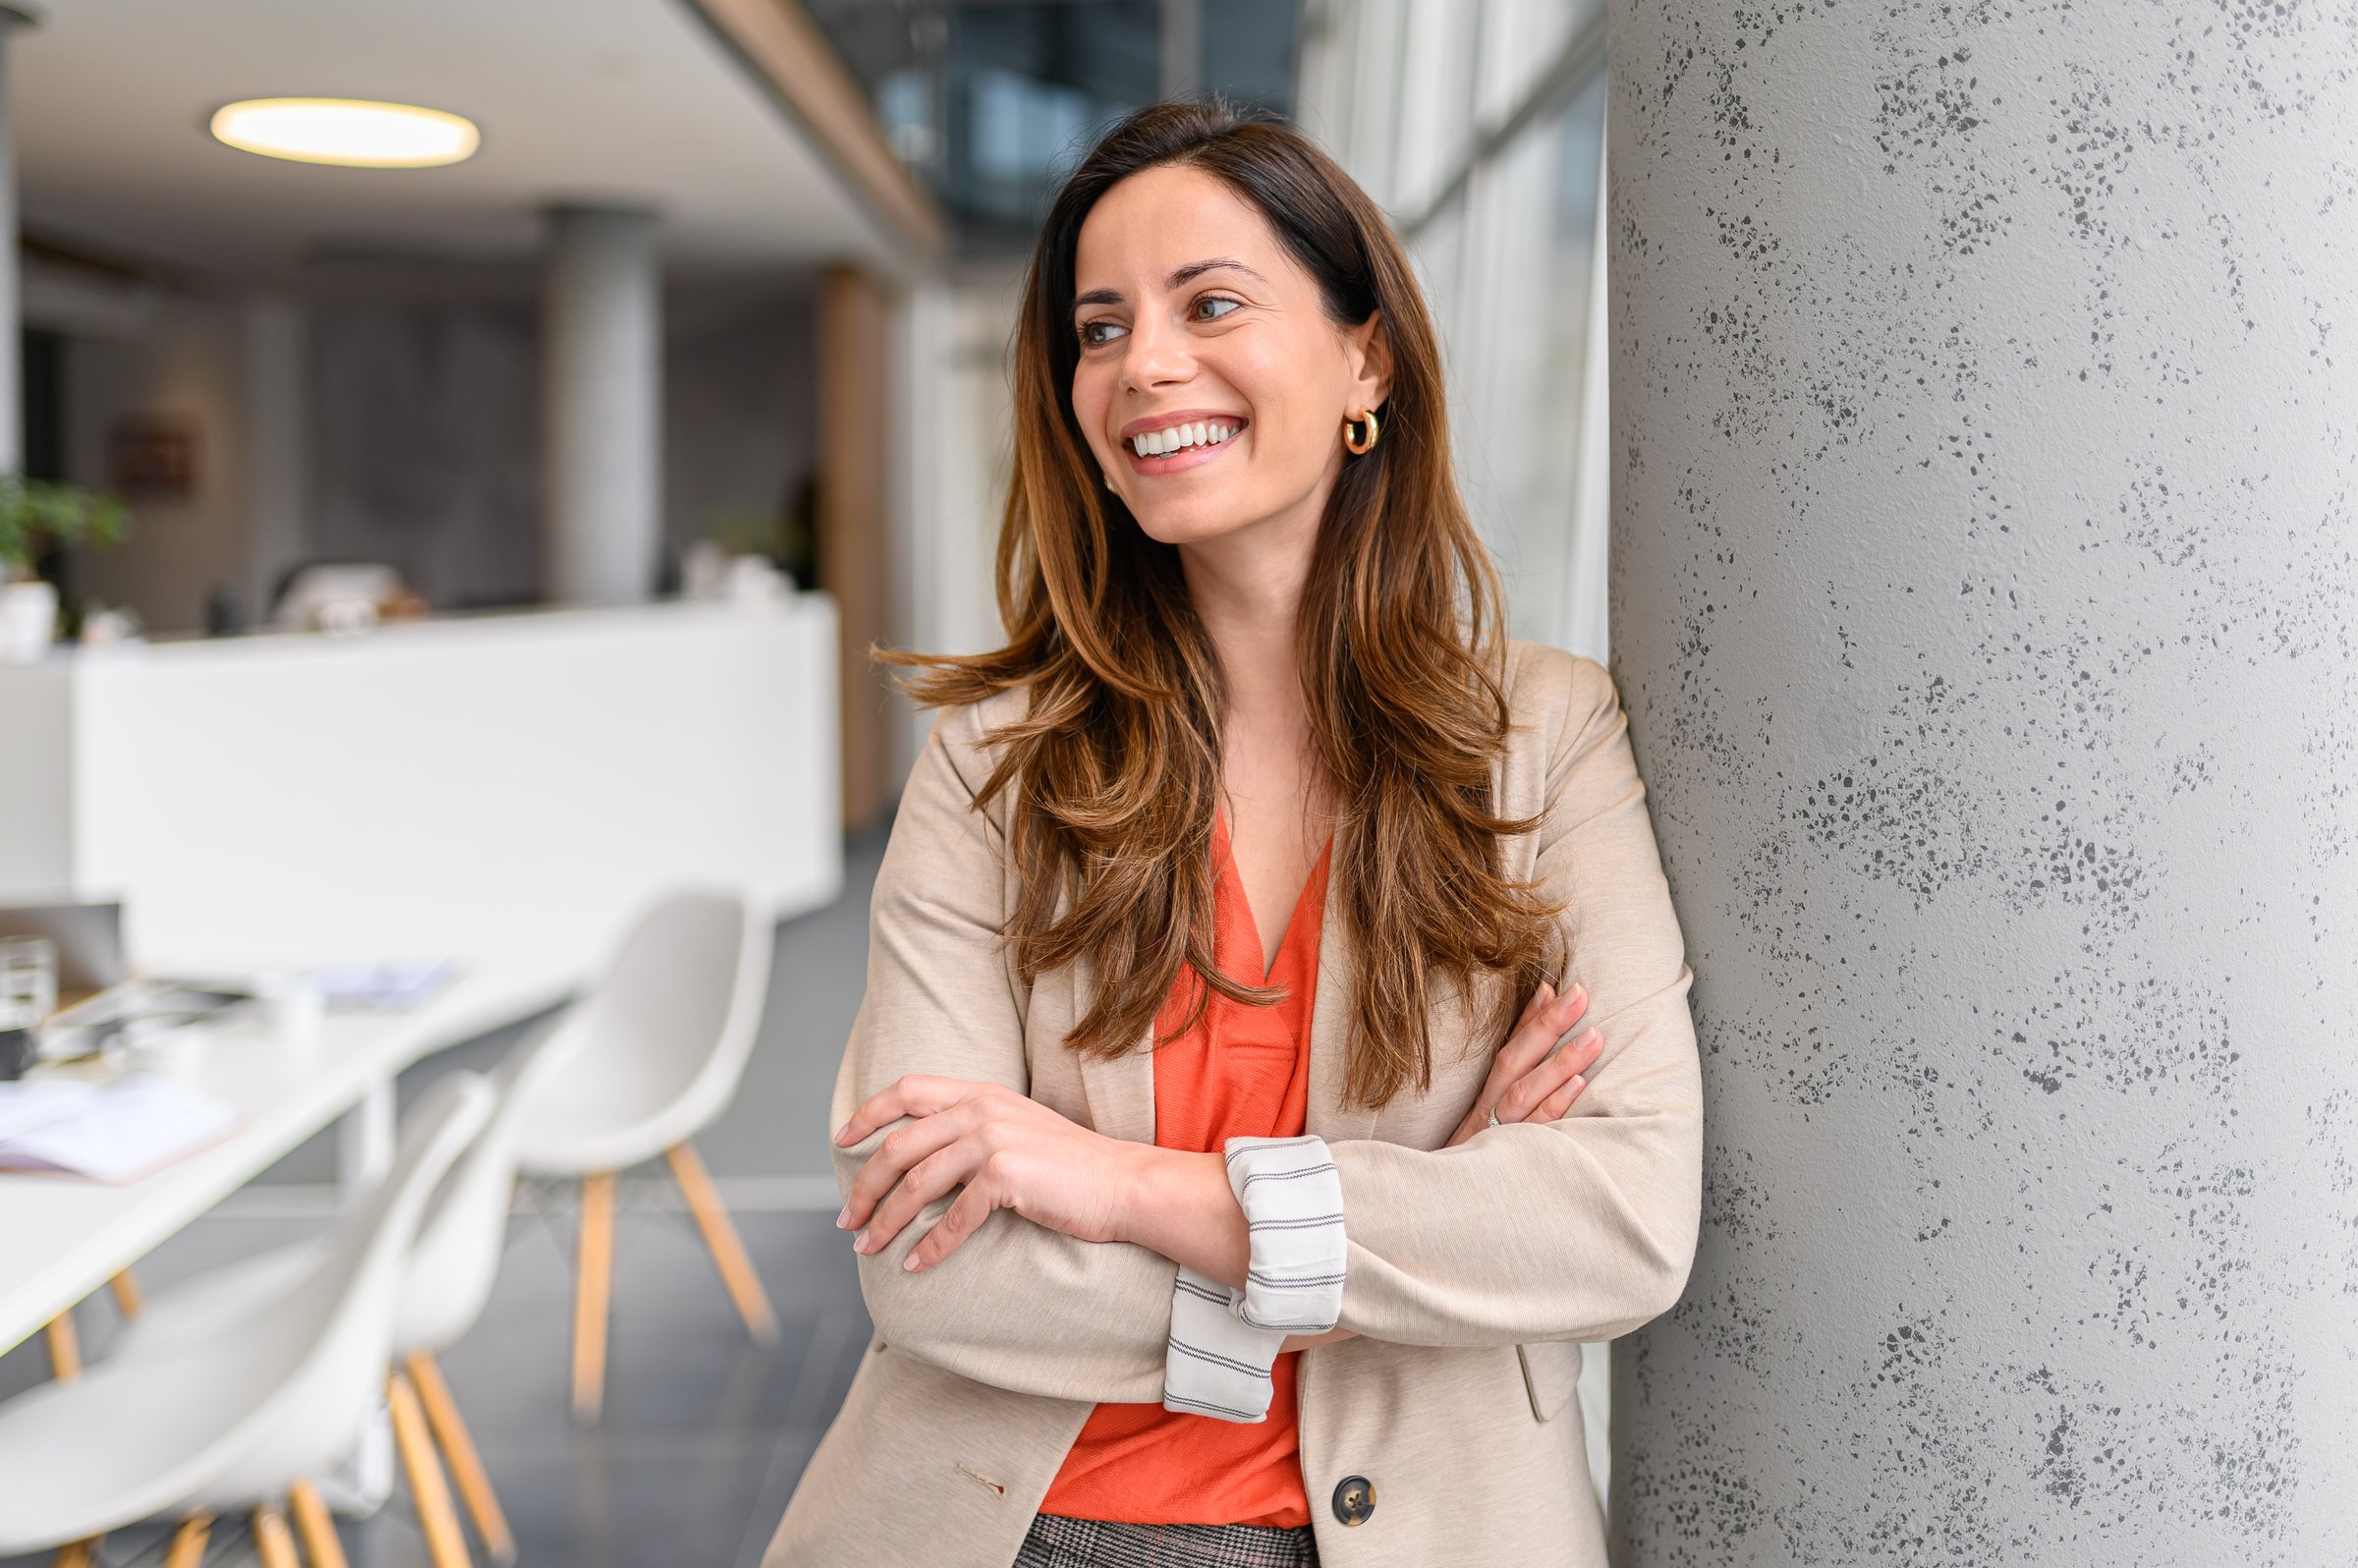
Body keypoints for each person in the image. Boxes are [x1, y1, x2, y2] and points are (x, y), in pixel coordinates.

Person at [762, 97, 1701, 1568]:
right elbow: (928, 1268)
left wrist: (1127, 1189)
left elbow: (1621, 1223)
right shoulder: (995, 770)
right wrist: (1424, 1222)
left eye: (1211, 303)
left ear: (1364, 354)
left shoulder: (1546, 739)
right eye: (1099, 326)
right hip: (1004, 1529)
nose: (1145, 365)